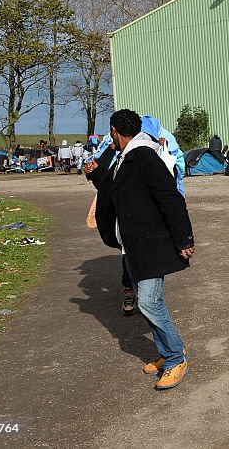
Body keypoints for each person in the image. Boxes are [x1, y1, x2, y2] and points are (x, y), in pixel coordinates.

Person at [84, 109, 195, 391]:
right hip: (133, 243)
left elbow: (171, 198)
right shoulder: (126, 155)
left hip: (150, 243)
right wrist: (95, 175)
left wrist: (184, 239)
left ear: (113, 130)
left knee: (148, 301)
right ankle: (165, 352)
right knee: (148, 303)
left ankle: (175, 357)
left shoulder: (144, 155)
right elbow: (112, 187)